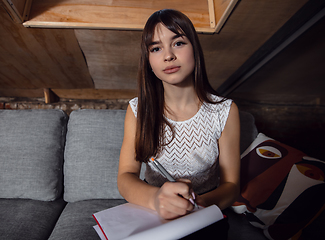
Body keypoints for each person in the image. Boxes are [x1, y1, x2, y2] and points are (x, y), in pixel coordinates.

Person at [117, 9, 240, 221]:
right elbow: (125, 177)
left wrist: (197, 204)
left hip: (201, 210)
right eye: (156, 48)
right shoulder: (138, 109)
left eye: (178, 43)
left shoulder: (225, 111)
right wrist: (157, 199)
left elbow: (231, 186)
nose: (168, 56)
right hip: (151, 208)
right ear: (148, 61)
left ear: (195, 49)